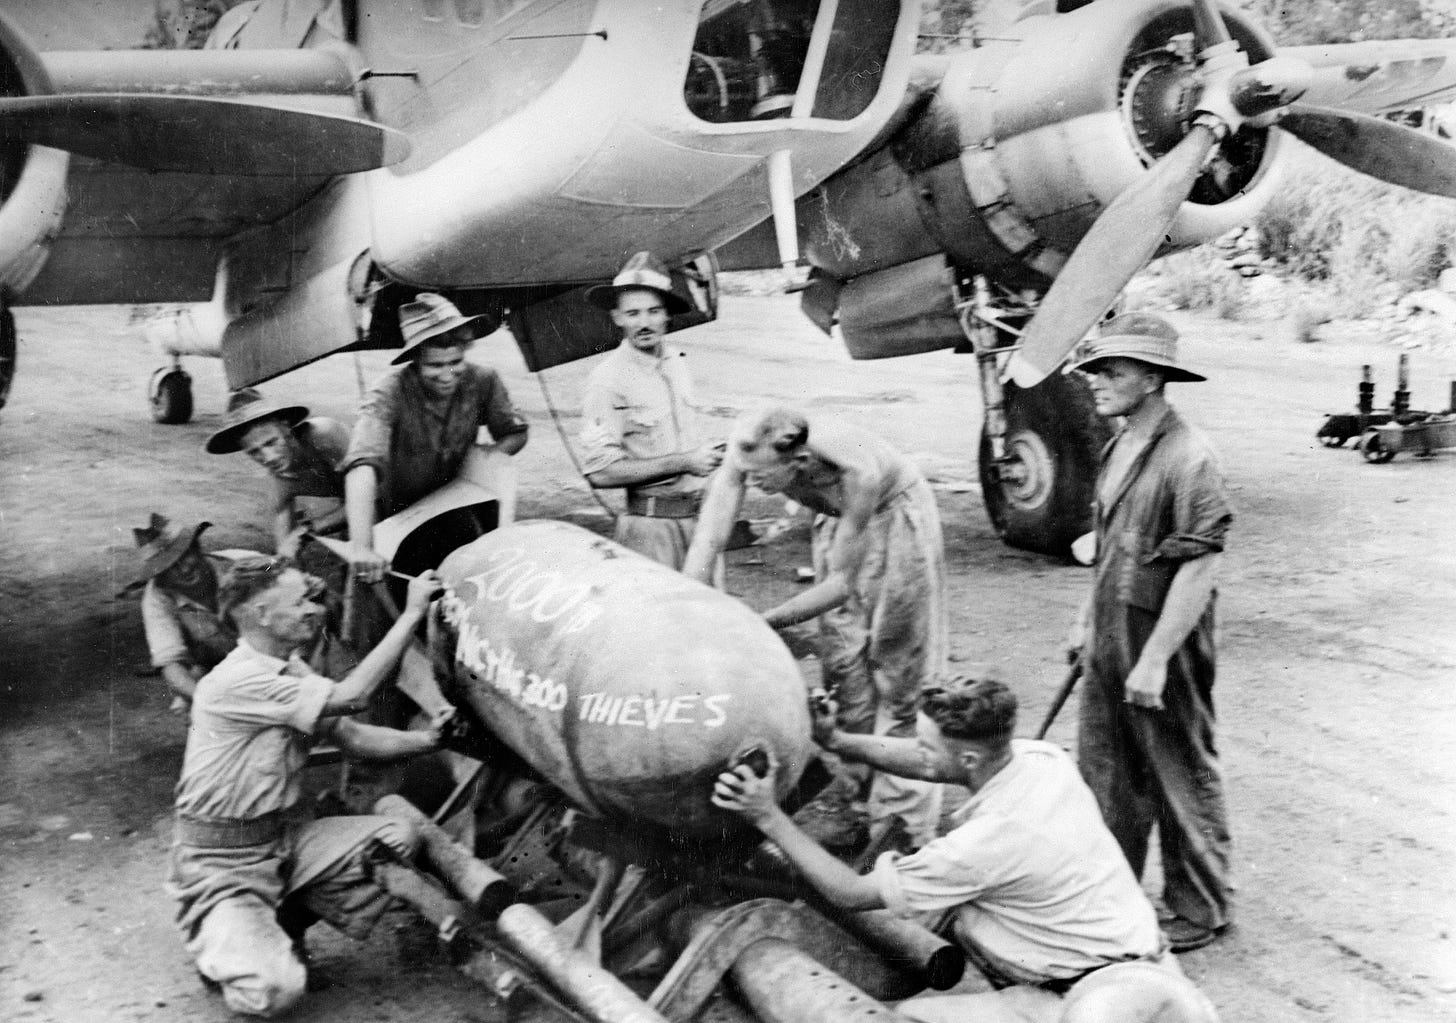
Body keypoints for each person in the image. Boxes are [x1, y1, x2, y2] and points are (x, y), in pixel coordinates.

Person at [712, 676, 1217, 1023]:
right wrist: (839, 739)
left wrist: (767, 816)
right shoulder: (1041, 761)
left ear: (971, 755)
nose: (920, 752)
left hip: (1094, 996)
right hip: (1132, 961)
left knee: (907, 1016)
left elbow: (849, 892)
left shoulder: (985, 844)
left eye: (929, 744)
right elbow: (929, 762)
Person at [167, 555, 451, 1017]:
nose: (313, 610)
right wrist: (412, 613)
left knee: (397, 838)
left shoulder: (291, 670)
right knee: (274, 993)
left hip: (278, 843)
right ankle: (221, 949)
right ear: (261, 615)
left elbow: (355, 738)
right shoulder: (239, 680)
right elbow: (353, 698)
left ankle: (281, 922)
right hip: (220, 864)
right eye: (299, 602)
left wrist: (429, 740)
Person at [685, 406, 946, 848]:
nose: (756, 486)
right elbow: (715, 521)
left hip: (892, 518)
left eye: (764, 478)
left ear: (800, 462)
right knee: (844, 666)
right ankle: (855, 800)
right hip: (837, 519)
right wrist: (693, 591)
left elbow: (838, 586)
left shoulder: (857, 471)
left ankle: (905, 822)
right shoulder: (752, 439)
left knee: (897, 668)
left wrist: (763, 623)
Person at [1064, 313, 1234, 954]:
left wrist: (1156, 659)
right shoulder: (1118, 447)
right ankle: (1116, 892)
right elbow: (1109, 549)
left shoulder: (1189, 457)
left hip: (1163, 640)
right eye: (1096, 370)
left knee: (1176, 769)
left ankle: (1201, 907)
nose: (1097, 383)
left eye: (1113, 371)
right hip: (1111, 632)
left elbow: (1201, 565)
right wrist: (1086, 621)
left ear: (1154, 378)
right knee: (1106, 770)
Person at [343, 292, 528, 582]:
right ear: (415, 361)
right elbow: (361, 466)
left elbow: (516, 433)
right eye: (435, 366)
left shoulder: (484, 380)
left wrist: (483, 458)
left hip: (458, 503)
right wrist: (362, 548)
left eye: (455, 361)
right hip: (399, 513)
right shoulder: (388, 392)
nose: (447, 374)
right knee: (393, 589)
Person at [577, 251, 723, 568]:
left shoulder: (676, 362)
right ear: (617, 317)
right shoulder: (607, 380)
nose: (644, 323)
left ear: (667, 314)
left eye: (653, 311)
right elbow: (600, 472)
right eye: (633, 314)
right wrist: (684, 461)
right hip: (650, 528)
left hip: (698, 524)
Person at [124, 513, 259, 710]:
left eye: (185, 556)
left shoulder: (240, 566)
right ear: (159, 575)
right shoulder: (157, 596)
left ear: (198, 548)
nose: (184, 570)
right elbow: (169, 662)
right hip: (217, 659)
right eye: (170, 567)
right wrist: (204, 701)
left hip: (267, 650)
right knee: (192, 683)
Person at [205, 388, 351, 556]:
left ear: (286, 428)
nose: (268, 457)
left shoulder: (324, 435)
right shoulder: (278, 484)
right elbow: (285, 547)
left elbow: (376, 499)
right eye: (254, 452)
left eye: (271, 442)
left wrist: (310, 528)